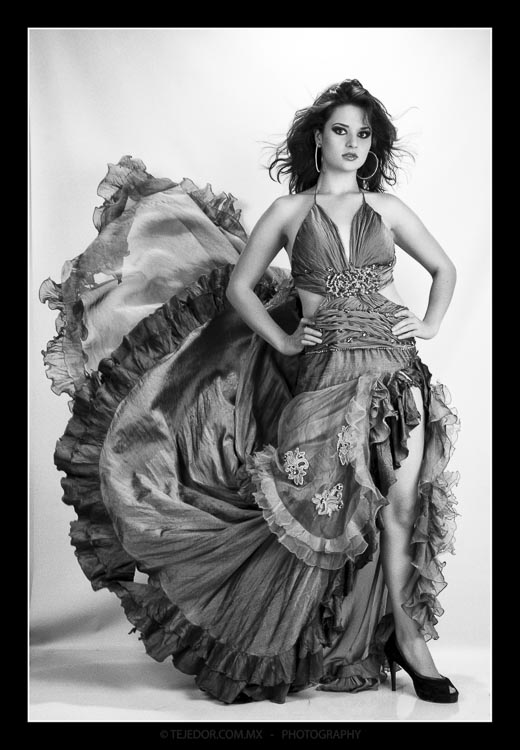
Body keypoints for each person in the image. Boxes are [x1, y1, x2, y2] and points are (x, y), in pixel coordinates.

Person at [40, 79, 460, 706]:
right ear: (318, 139)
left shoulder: (388, 208)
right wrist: (285, 341)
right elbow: (240, 287)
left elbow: (444, 268)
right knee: (315, 510)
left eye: (363, 133)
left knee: (400, 508)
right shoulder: (289, 212)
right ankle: (287, 639)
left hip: (397, 372)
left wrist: (427, 324)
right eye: (340, 130)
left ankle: (409, 640)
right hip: (326, 373)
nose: (352, 143)